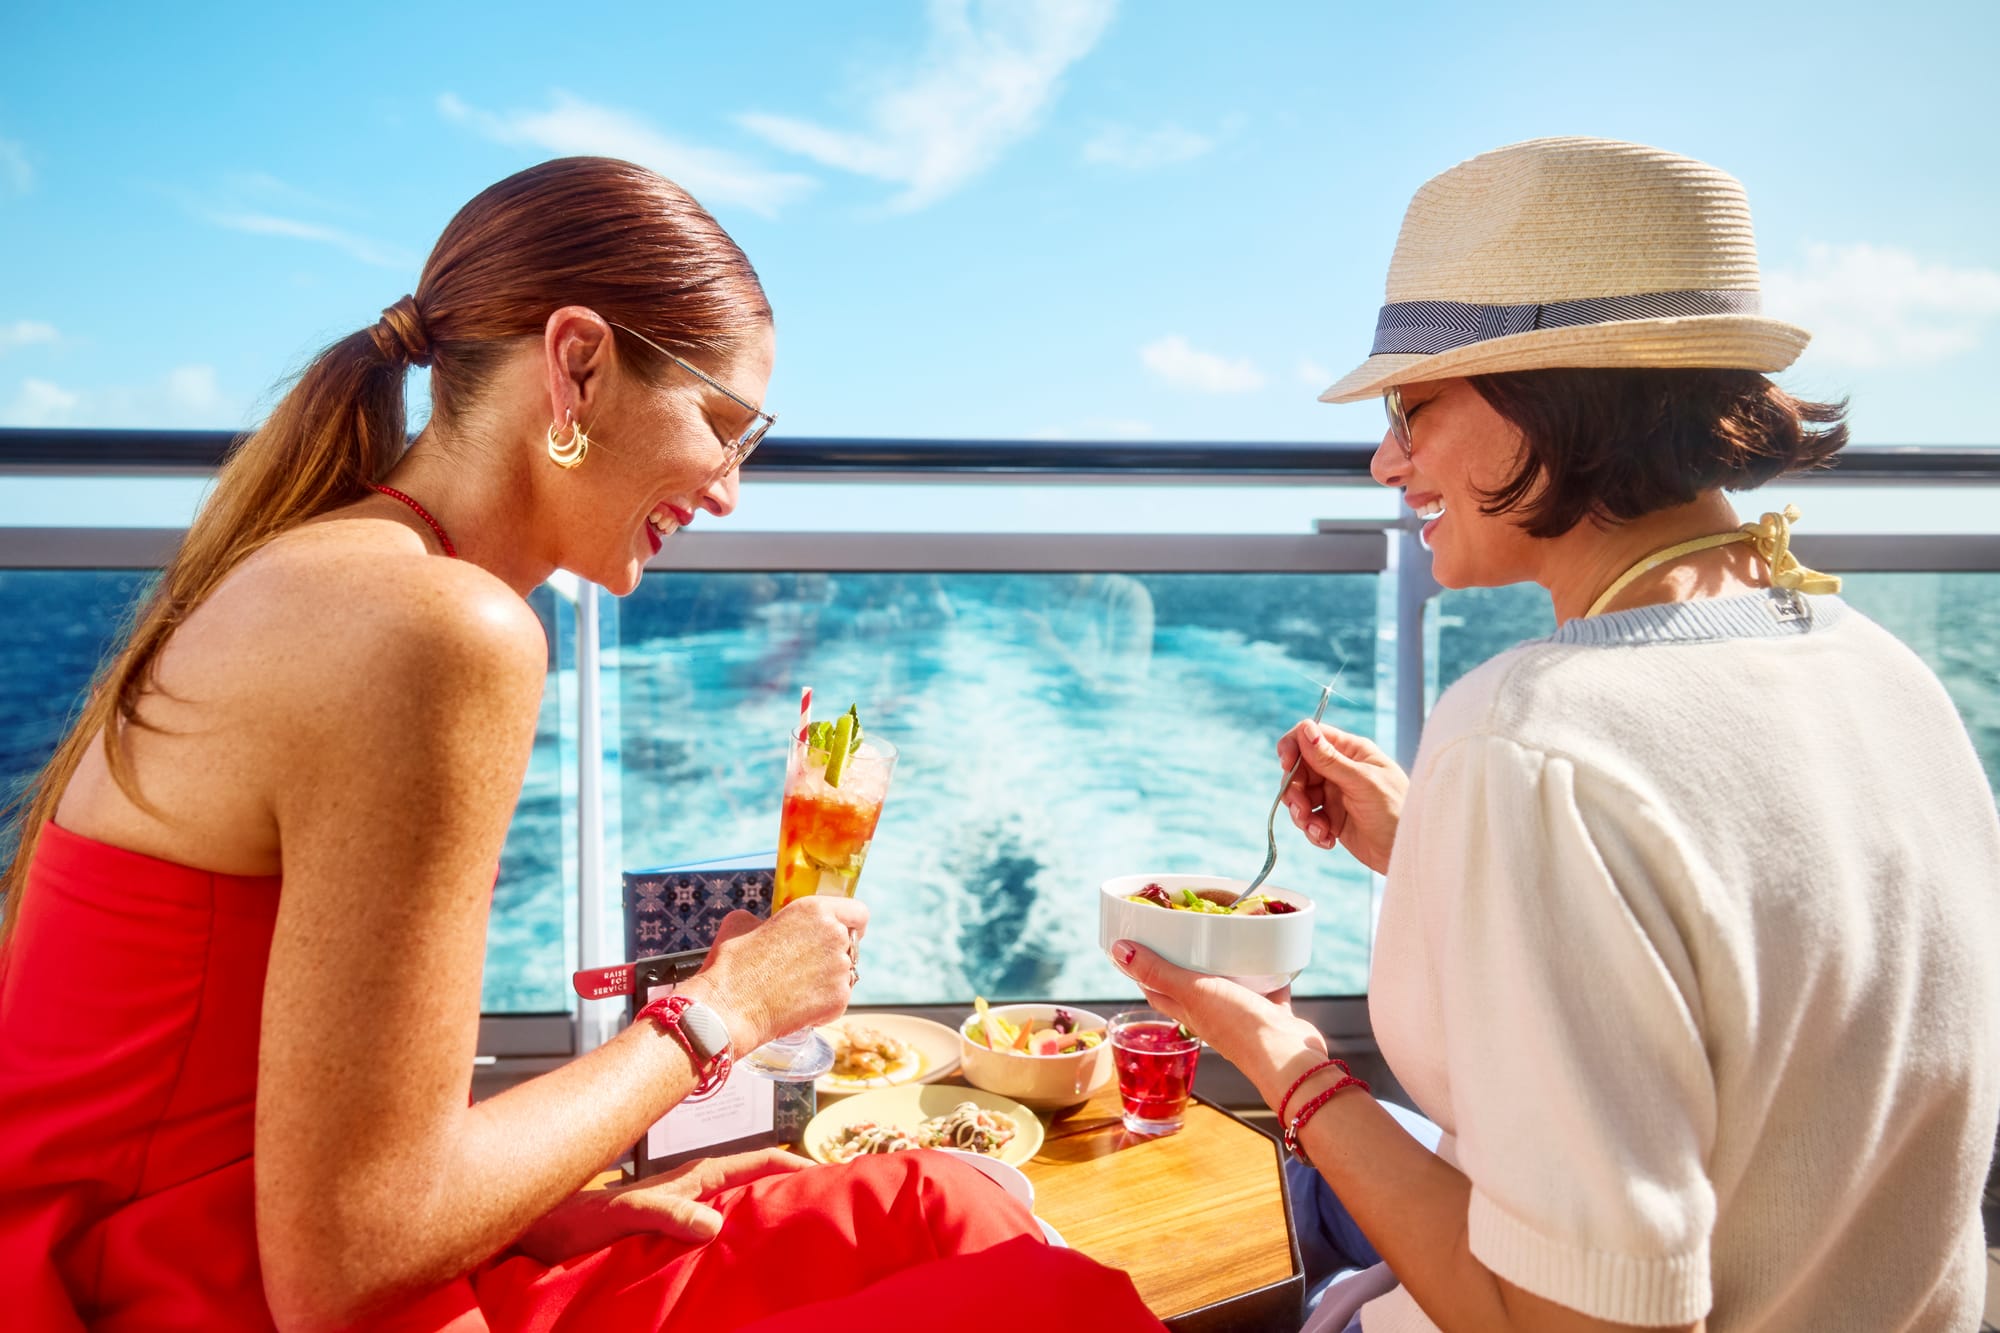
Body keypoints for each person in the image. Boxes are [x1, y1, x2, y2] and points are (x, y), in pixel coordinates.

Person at [0, 157, 1165, 1333]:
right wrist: (724, 1009)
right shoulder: (440, 629)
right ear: (577, 364)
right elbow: (345, 1270)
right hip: (181, 1294)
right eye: (721, 425)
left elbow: (320, 1145)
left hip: (231, 1242)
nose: (726, 492)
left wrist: (530, 1207)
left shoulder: (338, 569)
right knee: (1049, 1301)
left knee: (936, 1198)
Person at [1113, 137, 2000, 1332]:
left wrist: (1280, 1061)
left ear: (1547, 399)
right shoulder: (1888, 674)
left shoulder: (1529, 739)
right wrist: (1430, 848)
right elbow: (1746, 951)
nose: (1387, 460)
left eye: (1411, 406)